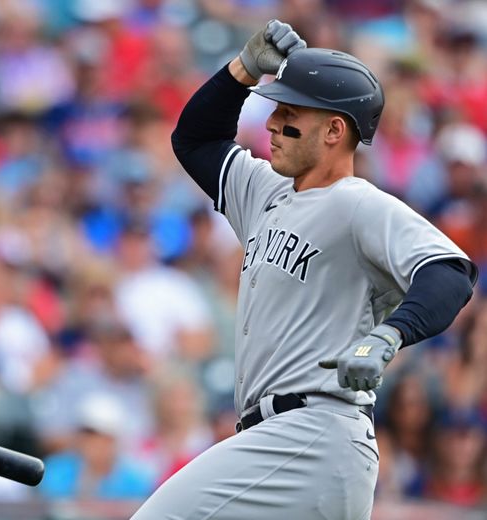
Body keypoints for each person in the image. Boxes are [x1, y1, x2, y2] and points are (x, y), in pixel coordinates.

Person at [131, 19, 477, 520]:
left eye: (289, 114)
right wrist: (242, 71)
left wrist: (388, 337)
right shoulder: (265, 191)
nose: (271, 124)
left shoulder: (357, 204)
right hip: (288, 443)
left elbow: (449, 272)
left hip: (312, 432)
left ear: (335, 130)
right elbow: (195, 140)